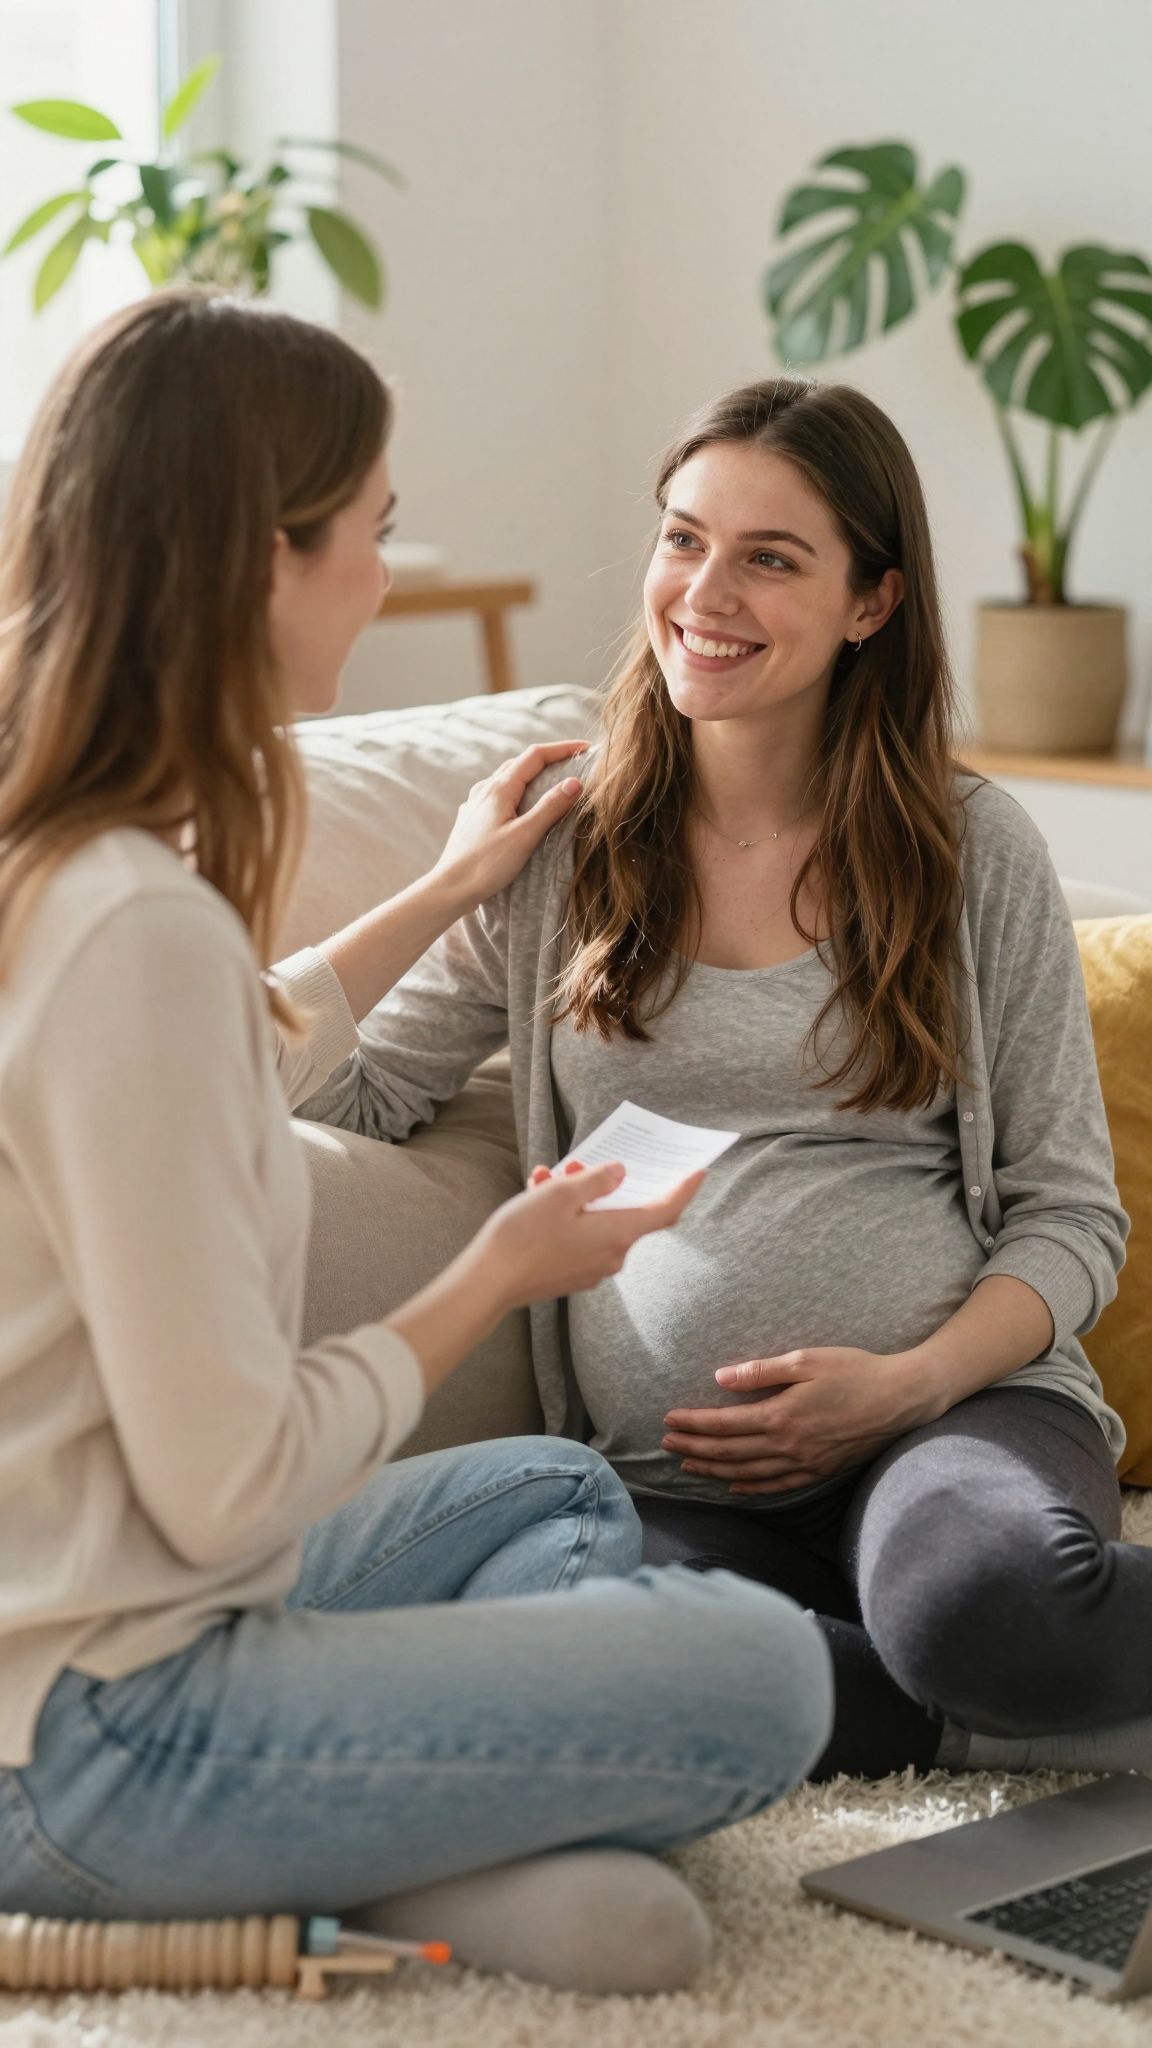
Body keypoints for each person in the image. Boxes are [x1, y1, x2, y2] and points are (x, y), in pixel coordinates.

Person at [0, 300, 834, 1997]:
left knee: (548, 1482)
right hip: (94, 1724)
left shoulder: (73, 874)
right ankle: (320, 1835)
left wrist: (455, 885)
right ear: (264, 561)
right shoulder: (121, 925)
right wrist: (496, 1275)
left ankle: (405, 1851)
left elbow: (224, 1044)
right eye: (373, 529)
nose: (386, 573)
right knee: (764, 1673)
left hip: (118, 1610)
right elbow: (229, 1478)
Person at [301, 375, 1146, 1784]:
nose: (706, 590)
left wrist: (905, 1382)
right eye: (684, 538)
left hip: (953, 1418)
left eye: (770, 557)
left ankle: (964, 1652)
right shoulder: (564, 848)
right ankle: (974, 1704)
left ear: (871, 602)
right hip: (674, 1482)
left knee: (982, 1598)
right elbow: (343, 1103)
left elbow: (1071, 1214)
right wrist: (456, 882)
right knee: (582, 1651)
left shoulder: (964, 846)